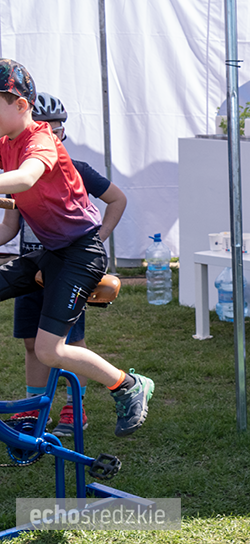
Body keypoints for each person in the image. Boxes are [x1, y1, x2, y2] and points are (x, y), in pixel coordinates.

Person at [0, 59, 152, 437]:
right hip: (52, 252)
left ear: (20, 105)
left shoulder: (40, 139)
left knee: (50, 350)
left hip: (82, 252)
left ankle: (129, 386)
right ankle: (36, 410)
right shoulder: (5, 143)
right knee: (37, 344)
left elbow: (26, 177)